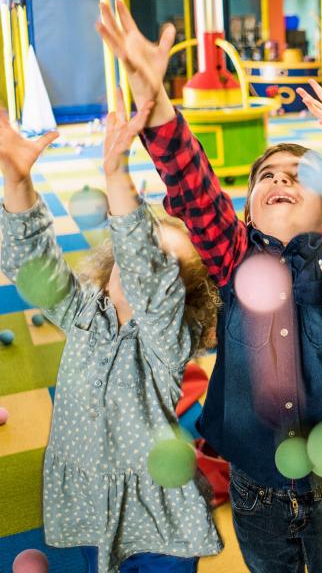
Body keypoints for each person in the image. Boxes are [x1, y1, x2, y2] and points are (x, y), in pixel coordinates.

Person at [96, 0, 322, 573]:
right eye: (267, 177)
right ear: (246, 212)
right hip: (255, 485)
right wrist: (160, 101)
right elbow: (193, 190)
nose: (280, 179)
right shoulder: (237, 258)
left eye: (299, 176)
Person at [0, 93, 222, 573]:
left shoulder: (166, 341)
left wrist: (117, 174)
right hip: (89, 503)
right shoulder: (84, 312)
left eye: (162, 264)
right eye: (134, 251)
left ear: (177, 294)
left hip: (159, 522)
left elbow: (148, 285)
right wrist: (18, 182)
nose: (140, 264)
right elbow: (30, 264)